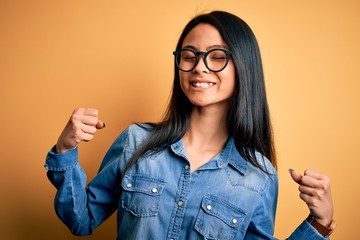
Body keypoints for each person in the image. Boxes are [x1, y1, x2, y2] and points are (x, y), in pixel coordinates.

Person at [45, 11, 335, 239]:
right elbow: (80, 220)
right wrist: (65, 149)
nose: (199, 66)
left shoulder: (259, 176)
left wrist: (319, 224)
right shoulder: (136, 141)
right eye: (189, 55)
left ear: (244, 67)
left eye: (217, 56)